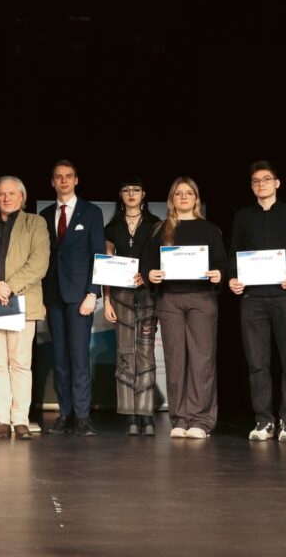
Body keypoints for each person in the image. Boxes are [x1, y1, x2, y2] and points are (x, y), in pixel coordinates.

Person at [228, 162, 286, 442]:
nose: (261, 184)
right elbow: (233, 254)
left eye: (266, 179)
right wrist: (233, 278)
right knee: (257, 363)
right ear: (251, 187)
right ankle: (264, 420)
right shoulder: (242, 217)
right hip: (252, 299)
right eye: (255, 181)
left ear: (277, 183)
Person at [142, 177, 225, 439]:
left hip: (201, 299)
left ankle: (201, 420)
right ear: (172, 199)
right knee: (175, 360)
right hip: (170, 300)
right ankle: (179, 418)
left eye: (189, 193)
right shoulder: (160, 229)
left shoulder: (209, 229)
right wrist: (150, 274)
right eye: (179, 193)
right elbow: (147, 264)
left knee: (202, 361)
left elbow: (222, 264)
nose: (184, 197)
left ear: (196, 198)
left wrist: (218, 274)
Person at [0, 176, 50, 440]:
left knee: (20, 364)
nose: (6, 198)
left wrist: (9, 287)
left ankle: (21, 420)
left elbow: (39, 263)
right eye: (1, 194)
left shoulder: (35, 223)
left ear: (22, 197)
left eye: (12, 194)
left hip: (21, 302)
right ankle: (1, 420)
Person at [39, 160, 105, 437]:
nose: (63, 181)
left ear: (76, 180)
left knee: (79, 358)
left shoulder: (91, 212)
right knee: (60, 358)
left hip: (80, 297)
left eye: (68, 176)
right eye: (58, 177)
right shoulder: (43, 214)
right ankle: (64, 414)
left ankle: (82, 416)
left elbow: (98, 254)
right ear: (52, 182)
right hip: (53, 295)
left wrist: (93, 292)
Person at [102, 176, 161, 436]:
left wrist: (147, 275)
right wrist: (106, 300)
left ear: (143, 194)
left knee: (145, 352)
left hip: (148, 294)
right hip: (121, 296)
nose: (131, 194)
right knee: (125, 352)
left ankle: (146, 414)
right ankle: (130, 415)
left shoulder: (156, 225)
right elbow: (106, 263)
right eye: (126, 190)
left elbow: (162, 259)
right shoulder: (112, 226)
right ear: (121, 195)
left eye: (136, 189)